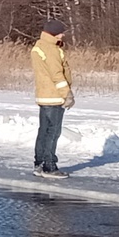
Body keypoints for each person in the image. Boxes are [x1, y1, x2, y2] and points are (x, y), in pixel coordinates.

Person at [30, 20, 72, 174]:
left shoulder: (39, 46)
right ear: (54, 33)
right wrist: (66, 94)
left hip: (43, 95)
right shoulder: (51, 49)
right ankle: (49, 166)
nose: (63, 34)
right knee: (53, 132)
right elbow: (57, 74)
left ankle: (39, 163)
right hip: (54, 96)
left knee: (44, 130)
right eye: (61, 32)